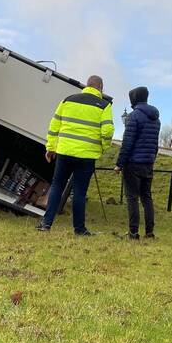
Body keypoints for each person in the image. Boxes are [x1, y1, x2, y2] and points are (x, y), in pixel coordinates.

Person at [37, 75, 115, 235]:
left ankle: (46, 224)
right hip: (86, 156)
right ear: (101, 88)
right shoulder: (104, 106)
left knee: (57, 186)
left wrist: (50, 147)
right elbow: (107, 130)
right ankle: (79, 229)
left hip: (64, 152)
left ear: (87, 85)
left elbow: (54, 125)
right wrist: (102, 147)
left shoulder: (68, 100)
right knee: (80, 192)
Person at [115, 86, 161, 239]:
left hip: (133, 163)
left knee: (132, 197)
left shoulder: (133, 117)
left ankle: (133, 232)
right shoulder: (156, 118)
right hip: (148, 163)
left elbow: (127, 143)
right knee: (146, 197)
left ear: (133, 99)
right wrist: (151, 159)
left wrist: (119, 163)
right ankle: (149, 232)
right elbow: (155, 145)